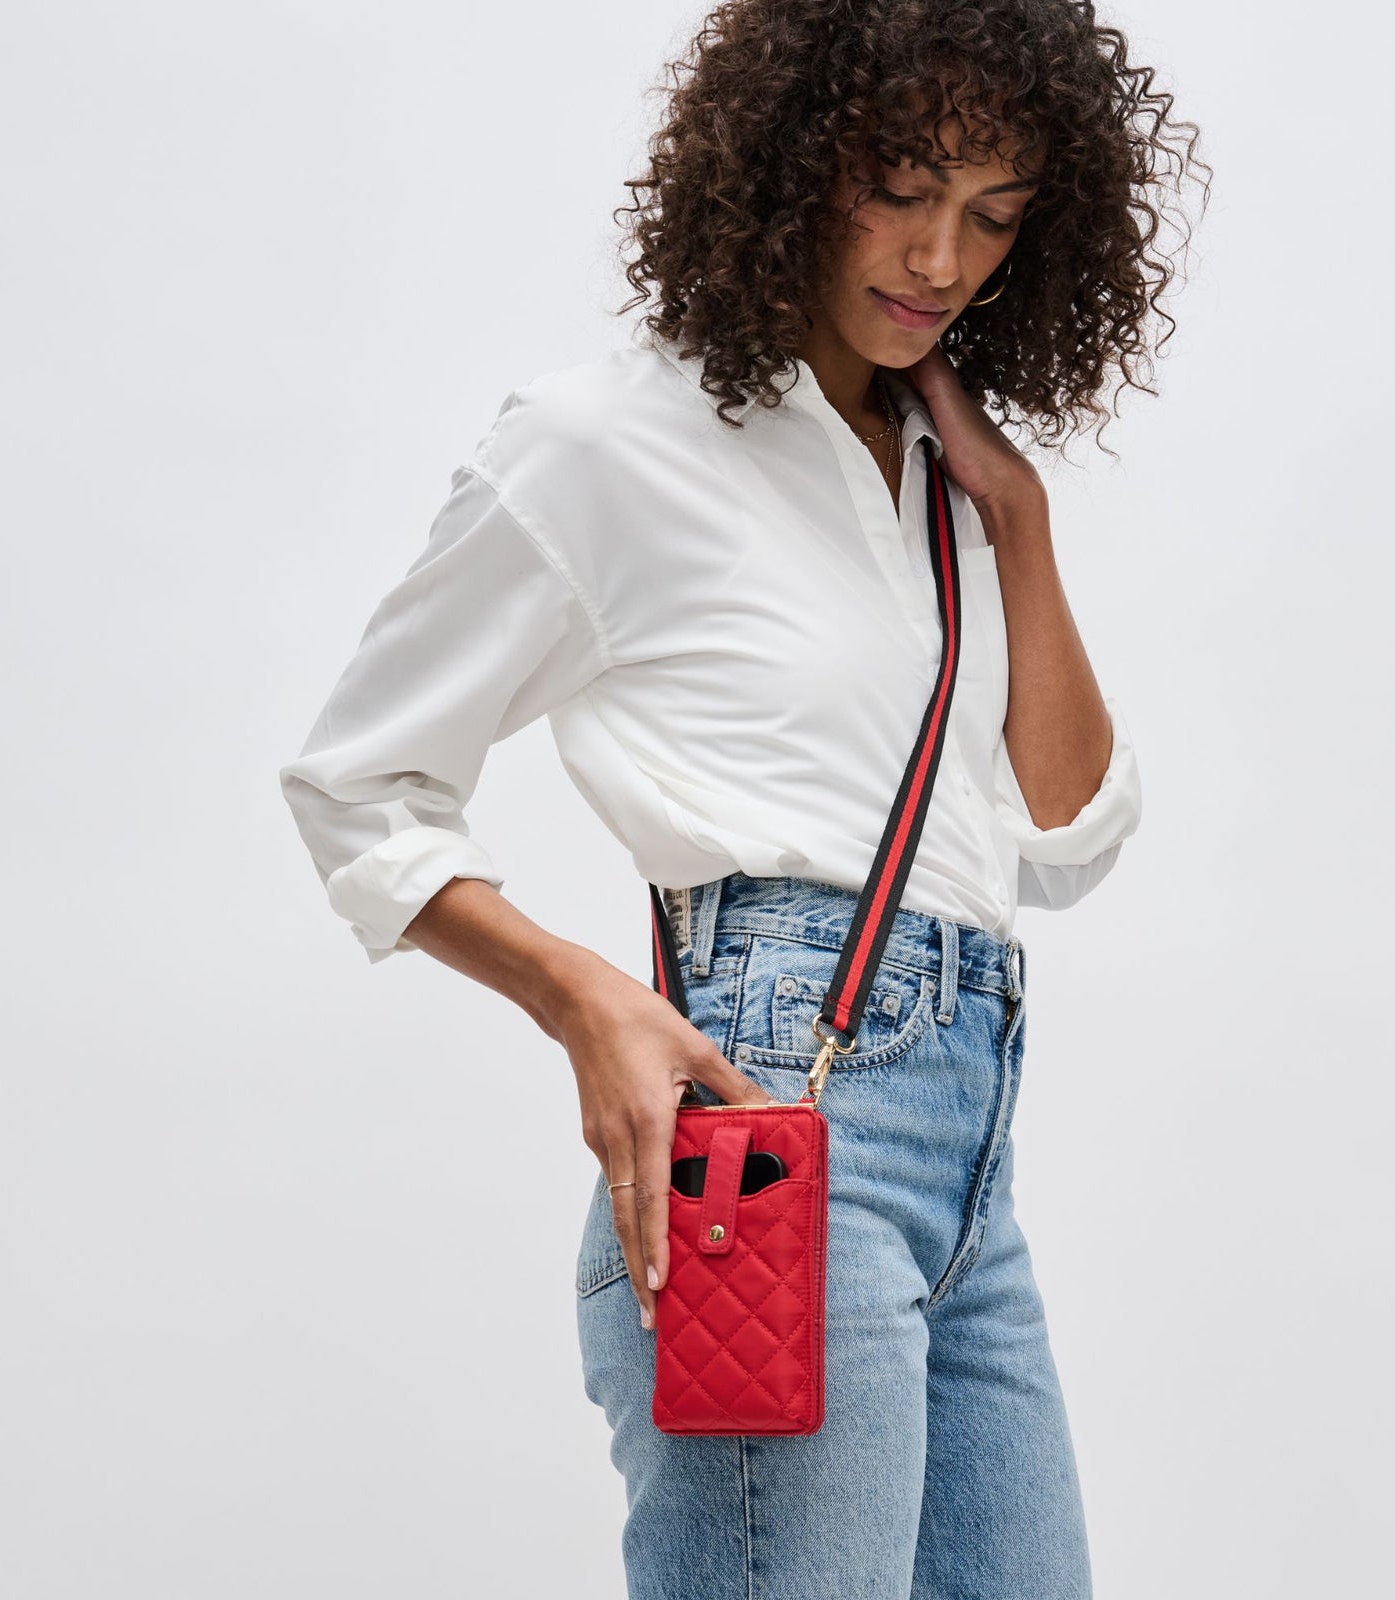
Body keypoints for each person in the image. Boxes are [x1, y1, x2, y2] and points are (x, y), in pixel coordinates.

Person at [277, 1, 1207, 1593]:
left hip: (972, 1166)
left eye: (992, 216)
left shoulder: (942, 482)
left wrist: (1023, 525)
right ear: (788, 163)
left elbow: (1062, 840)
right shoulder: (606, 441)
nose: (940, 259)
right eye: (900, 190)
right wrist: (577, 996)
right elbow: (361, 781)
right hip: (774, 1122)